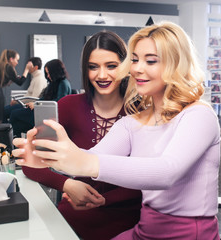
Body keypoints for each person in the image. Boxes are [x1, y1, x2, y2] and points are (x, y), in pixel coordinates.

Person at [13, 21, 221, 239]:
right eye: (135, 60)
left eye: (150, 61)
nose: (137, 68)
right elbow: (91, 158)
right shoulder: (131, 123)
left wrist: (80, 161)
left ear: (176, 64)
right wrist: (49, 158)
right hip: (146, 228)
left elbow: (167, 172)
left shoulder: (199, 115)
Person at [22, 31, 141, 240]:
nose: (102, 75)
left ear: (125, 66)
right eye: (93, 67)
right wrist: (67, 184)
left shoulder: (141, 111)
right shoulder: (68, 106)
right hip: (73, 222)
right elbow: (30, 163)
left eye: (111, 66)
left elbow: (154, 177)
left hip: (129, 224)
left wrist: (106, 200)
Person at [9, 59, 71, 137]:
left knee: (14, 114)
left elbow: (60, 101)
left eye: (49, 73)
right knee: (18, 125)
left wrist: (36, 105)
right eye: (47, 73)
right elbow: (45, 98)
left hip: (47, 114)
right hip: (43, 110)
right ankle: (12, 141)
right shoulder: (54, 83)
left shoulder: (63, 83)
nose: (48, 76)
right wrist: (35, 103)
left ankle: (10, 140)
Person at [3, 57, 48, 123]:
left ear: (35, 67)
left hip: (27, 106)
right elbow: (29, 95)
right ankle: (7, 131)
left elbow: (34, 98)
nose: (27, 66)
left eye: (29, 65)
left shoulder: (39, 79)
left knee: (3, 112)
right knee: (2, 111)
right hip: (24, 103)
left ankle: (6, 132)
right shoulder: (35, 78)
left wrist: (18, 102)